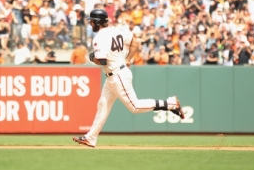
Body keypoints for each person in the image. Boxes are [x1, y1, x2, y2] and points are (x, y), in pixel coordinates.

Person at [72, 9, 185, 148]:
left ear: (97, 22)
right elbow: (135, 43)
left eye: (91, 20)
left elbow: (102, 61)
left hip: (117, 75)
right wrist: (128, 59)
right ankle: (91, 138)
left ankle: (171, 103)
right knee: (103, 105)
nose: (90, 23)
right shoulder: (117, 31)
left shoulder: (99, 37)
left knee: (135, 106)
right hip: (115, 74)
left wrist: (91, 58)